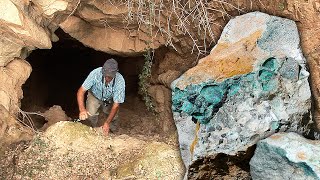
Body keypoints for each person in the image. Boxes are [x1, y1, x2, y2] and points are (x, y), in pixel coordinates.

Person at [77, 58, 125, 135]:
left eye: (110, 77)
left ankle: (113, 131)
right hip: (95, 95)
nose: (107, 78)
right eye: (105, 75)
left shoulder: (120, 81)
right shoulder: (95, 73)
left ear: (116, 73)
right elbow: (81, 91)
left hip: (110, 99)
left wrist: (107, 123)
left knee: (113, 116)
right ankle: (92, 129)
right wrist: (82, 110)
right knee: (91, 113)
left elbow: (116, 105)